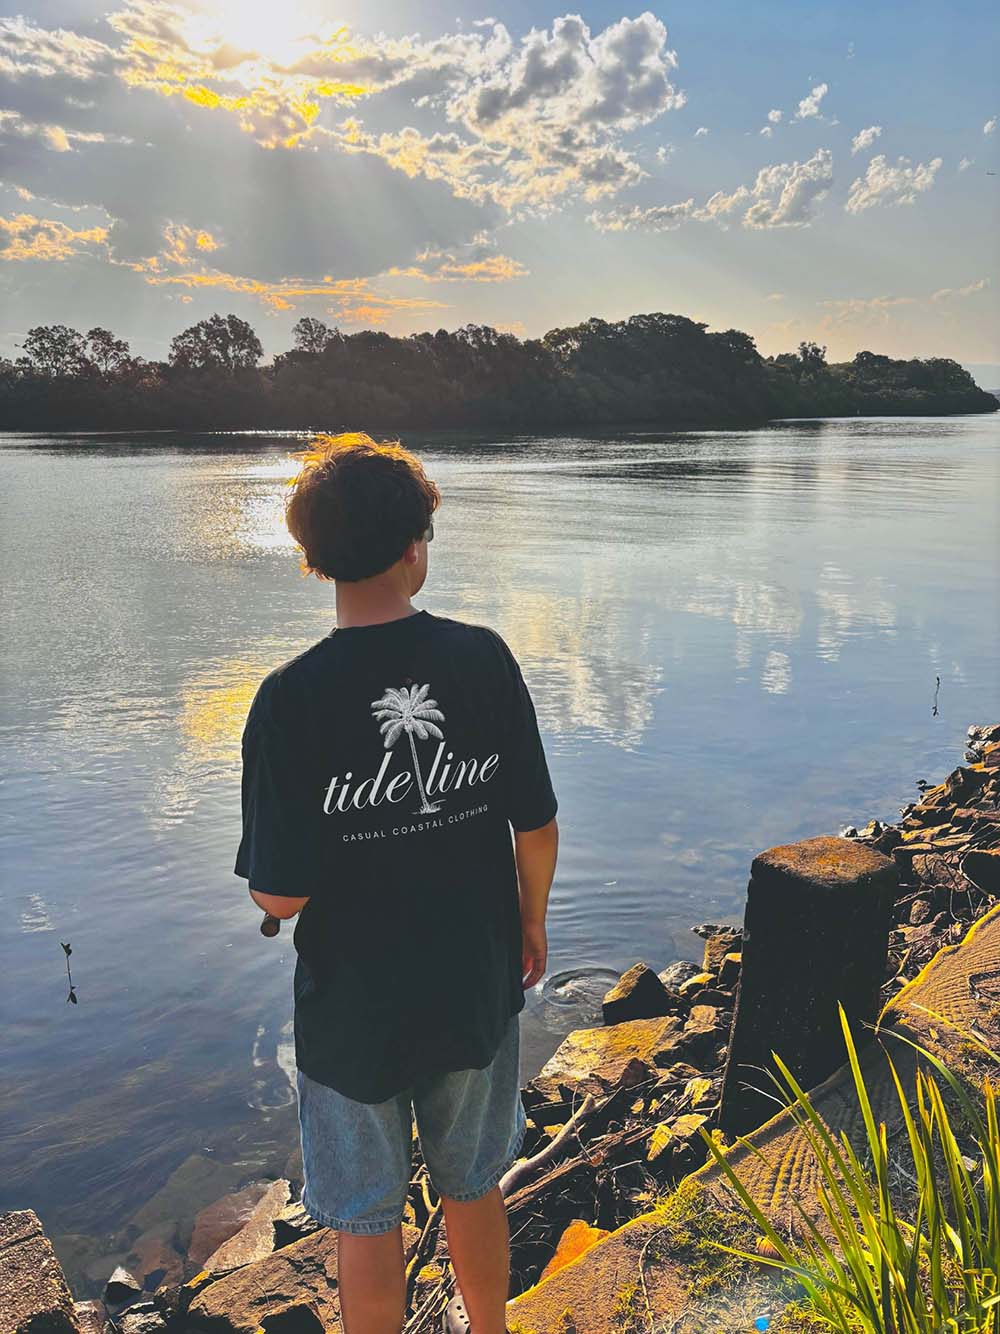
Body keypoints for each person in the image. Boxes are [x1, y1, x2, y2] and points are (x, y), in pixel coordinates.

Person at [234, 432, 559, 1334]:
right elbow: (535, 825)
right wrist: (531, 924)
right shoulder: (483, 657)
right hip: (473, 980)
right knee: (474, 1183)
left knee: (367, 1220)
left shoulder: (287, 698)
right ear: (415, 547)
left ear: (313, 559)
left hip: (353, 1010)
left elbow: (279, 897)